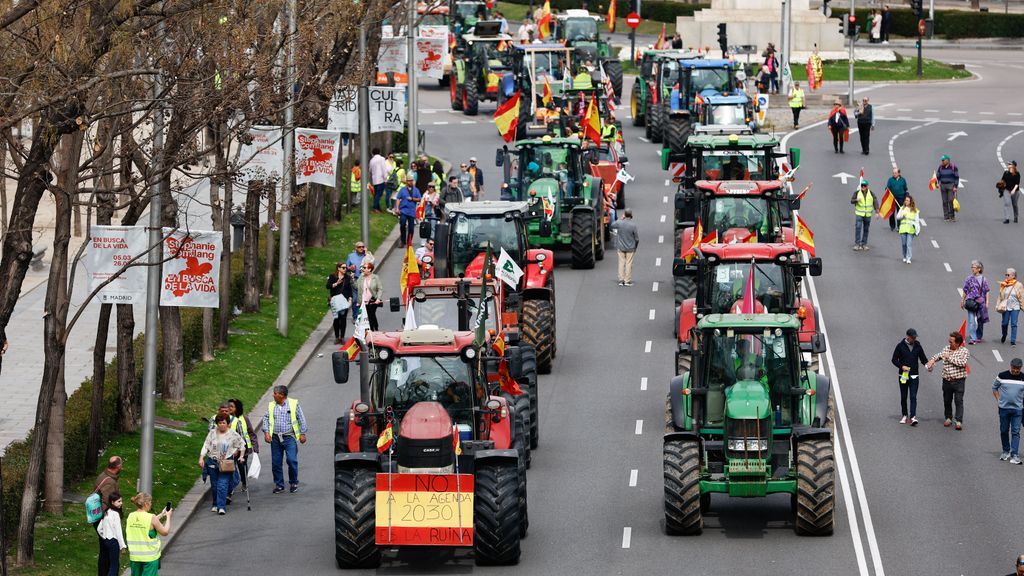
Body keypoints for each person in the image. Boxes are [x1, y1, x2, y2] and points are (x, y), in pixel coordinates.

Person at [262, 385, 309, 494]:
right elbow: (266, 418)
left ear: (282, 395)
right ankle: (279, 485)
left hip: (289, 437)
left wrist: (302, 433)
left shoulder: (293, 404)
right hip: (275, 438)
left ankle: (293, 483)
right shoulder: (271, 405)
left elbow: (301, 418)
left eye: (275, 393)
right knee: (276, 463)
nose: (273, 395)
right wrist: (266, 432)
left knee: (292, 460)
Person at [200, 413, 245, 514]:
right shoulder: (212, 433)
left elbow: (242, 445)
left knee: (222, 484)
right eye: (219, 423)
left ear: (228, 424)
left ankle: (221, 507)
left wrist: (241, 456)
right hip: (212, 461)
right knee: (215, 485)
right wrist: (201, 457)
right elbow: (206, 445)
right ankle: (215, 504)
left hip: (226, 462)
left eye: (223, 423)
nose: (221, 425)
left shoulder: (233, 434)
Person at [927, 330, 971, 430]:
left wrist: (949, 357)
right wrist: (932, 360)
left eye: (951, 342)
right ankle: (948, 418)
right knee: (947, 400)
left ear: (958, 343)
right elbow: (939, 355)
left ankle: (958, 420)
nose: (949, 343)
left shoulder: (964, 351)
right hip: (947, 380)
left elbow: (962, 363)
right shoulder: (946, 349)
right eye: (949, 341)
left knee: (958, 401)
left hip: (959, 381)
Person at [125, 492, 171, 576]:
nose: (151, 504)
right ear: (146, 504)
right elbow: (165, 532)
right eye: (150, 502)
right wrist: (168, 516)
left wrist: (162, 514)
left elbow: (145, 523)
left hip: (135, 557)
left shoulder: (131, 516)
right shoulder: (151, 517)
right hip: (149, 558)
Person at [892, 328, 928, 425]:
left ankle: (913, 417)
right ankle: (904, 415)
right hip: (903, 375)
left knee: (913, 396)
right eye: (913, 337)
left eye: (915, 337)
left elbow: (923, 359)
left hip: (914, 376)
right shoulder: (900, 346)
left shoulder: (918, 346)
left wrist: (928, 366)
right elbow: (894, 359)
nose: (914, 339)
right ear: (908, 337)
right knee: (904, 397)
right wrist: (901, 366)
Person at [993, 358, 1024, 464]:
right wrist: (999, 400)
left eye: (1018, 369)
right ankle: (1006, 451)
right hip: (1004, 409)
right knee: (1004, 430)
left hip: (1018, 410)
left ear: (1021, 368)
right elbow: (994, 388)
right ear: (1010, 366)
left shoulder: (1023, 378)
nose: (1016, 370)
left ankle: (1014, 454)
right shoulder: (1002, 376)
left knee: (1016, 432)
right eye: (1014, 368)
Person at [97, 491, 126, 576]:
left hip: (106, 541)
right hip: (113, 542)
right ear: (112, 502)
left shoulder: (106, 512)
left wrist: (104, 536)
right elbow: (118, 532)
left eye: (121, 501)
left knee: (109, 563)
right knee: (114, 565)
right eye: (119, 501)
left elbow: (99, 529)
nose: (121, 503)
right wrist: (122, 546)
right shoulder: (116, 514)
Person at [962, 260, 990, 344]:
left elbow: (987, 291)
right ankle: (973, 338)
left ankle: (979, 336)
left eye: (973, 267)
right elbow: (965, 290)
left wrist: (987, 302)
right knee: (971, 321)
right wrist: (962, 300)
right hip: (971, 301)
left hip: (981, 303)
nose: (972, 269)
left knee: (980, 321)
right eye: (972, 267)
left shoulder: (984, 279)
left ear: (979, 269)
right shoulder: (969, 278)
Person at [610, 208, 639, 286]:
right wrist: (635, 247)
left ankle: (621, 280)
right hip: (630, 248)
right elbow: (636, 238)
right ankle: (627, 281)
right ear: (631, 215)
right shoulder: (633, 225)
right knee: (629, 263)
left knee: (621, 263)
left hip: (621, 247)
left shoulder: (619, 223)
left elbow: (612, 225)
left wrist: (620, 218)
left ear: (624, 215)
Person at [327, 262, 353, 344]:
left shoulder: (347, 278)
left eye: (346, 268)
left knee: (343, 318)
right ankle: (337, 337)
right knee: (336, 318)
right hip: (335, 300)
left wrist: (350, 298)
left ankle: (342, 337)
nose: (345, 269)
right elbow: (328, 286)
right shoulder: (332, 276)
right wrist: (336, 283)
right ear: (338, 268)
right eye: (343, 267)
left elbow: (349, 289)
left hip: (344, 300)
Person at [998, 268, 1024, 345]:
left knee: (1014, 324)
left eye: (1008, 275)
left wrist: (1023, 306)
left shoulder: (1019, 285)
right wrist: (999, 304)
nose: (1006, 276)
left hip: (1015, 307)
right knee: (1004, 323)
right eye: (1006, 274)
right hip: (1006, 307)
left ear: (1013, 276)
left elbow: (1022, 296)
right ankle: (1004, 334)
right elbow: (1000, 296)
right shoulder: (1004, 284)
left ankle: (1013, 340)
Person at [850, 179, 878, 251]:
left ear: (867, 186)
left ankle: (864, 244)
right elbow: (852, 201)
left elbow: (875, 202)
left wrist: (877, 212)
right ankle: (857, 244)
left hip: (867, 214)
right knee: (858, 228)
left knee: (866, 229)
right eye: (862, 185)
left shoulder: (871, 193)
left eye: (864, 186)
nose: (863, 187)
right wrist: (856, 200)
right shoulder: (857, 193)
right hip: (859, 214)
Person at [357, 260, 384, 332]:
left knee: (371, 313)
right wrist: (352, 279)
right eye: (363, 267)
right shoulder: (361, 277)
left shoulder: (375, 277)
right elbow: (356, 286)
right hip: (363, 300)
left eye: (365, 267)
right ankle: (372, 328)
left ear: (370, 269)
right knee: (367, 315)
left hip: (372, 300)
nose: (363, 269)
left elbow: (380, 288)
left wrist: (378, 298)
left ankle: (373, 329)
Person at [396, 176, 421, 247]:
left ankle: (409, 241)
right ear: (406, 182)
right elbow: (398, 198)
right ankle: (402, 241)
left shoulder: (416, 190)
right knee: (402, 224)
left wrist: (412, 199)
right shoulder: (402, 190)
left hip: (411, 211)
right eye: (409, 181)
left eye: (411, 181)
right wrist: (397, 208)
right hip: (403, 210)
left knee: (411, 228)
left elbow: (419, 199)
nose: (410, 182)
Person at [896, 195, 920, 264]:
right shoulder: (902, 208)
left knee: (908, 244)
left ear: (910, 202)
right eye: (905, 200)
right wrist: (902, 215)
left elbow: (917, 220)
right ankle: (904, 256)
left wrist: (917, 229)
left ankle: (908, 257)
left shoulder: (915, 210)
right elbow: (897, 217)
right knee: (904, 244)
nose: (906, 201)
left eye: (907, 200)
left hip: (911, 229)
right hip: (903, 228)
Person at [936, 154, 959, 222]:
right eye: (942, 160)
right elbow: (938, 176)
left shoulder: (953, 167)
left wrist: (955, 186)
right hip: (943, 185)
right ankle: (946, 217)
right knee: (944, 201)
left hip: (951, 185)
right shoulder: (940, 167)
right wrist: (937, 183)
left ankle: (952, 216)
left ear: (948, 160)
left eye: (943, 160)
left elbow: (956, 177)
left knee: (950, 200)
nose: (942, 161)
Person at [885, 166, 909, 231]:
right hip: (892, 198)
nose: (894, 174)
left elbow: (905, 189)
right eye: (893, 173)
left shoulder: (903, 180)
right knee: (892, 212)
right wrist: (887, 188)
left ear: (899, 173)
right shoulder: (890, 180)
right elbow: (887, 188)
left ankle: (899, 226)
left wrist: (906, 196)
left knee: (900, 212)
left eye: (895, 173)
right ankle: (892, 225)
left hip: (901, 198)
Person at [368, 147, 387, 212]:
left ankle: (378, 207)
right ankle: (375, 207)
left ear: (372, 153)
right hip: (381, 179)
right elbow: (384, 169)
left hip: (374, 180)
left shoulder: (371, 160)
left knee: (376, 194)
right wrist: (385, 179)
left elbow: (370, 170)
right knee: (379, 194)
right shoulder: (382, 159)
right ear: (379, 152)